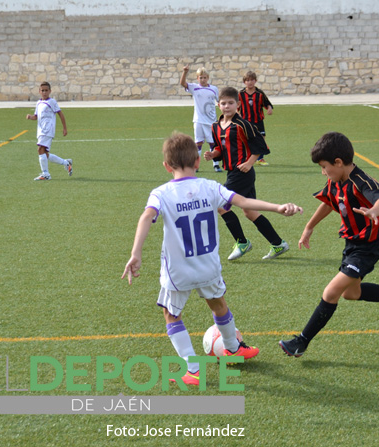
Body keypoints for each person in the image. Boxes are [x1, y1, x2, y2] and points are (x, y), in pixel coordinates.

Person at [123, 132, 302, 386]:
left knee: (171, 314)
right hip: (208, 267)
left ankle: (193, 369)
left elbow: (145, 217)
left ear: (166, 166)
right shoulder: (211, 187)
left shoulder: (161, 193)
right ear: (198, 161)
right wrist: (278, 207)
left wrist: (135, 253)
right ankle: (233, 347)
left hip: (179, 271)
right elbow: (243, 201)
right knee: (218, 304)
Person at [279, 132, 379, 358]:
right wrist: (309, 227)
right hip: (352, 245)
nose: (323, 172)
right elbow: (329, 202)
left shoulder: (362, 181)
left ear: (338, 162)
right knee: (351, 293)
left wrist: (373, 211)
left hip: (368, 246)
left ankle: (301, 342)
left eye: (324, 166)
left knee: (331, 292)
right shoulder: (335, 180)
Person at [204, 87, 290, 261]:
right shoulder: (216, 126)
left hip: (242, 173)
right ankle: (278, 243)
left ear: (238, 104)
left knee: (220, 205)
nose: (227, 106)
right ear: (218, 105)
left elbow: (261, 147)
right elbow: (221, 148)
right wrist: (213, 154)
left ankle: (242, 242)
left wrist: (250, 163)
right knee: (249, 212)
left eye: (230, 103)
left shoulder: (243, 124)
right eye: (223, 103)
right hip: (232, 173)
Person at [179, 65, 223, 172]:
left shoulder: (214, 89)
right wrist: (185, 72)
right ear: (197, 78)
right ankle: (196, 165)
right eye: (200, 78)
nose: (202, 80)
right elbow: (182, 83)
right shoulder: (194, 87)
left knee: (213, 143)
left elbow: (220, 102)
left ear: (208, 78)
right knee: (198, 143)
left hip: (211, 121)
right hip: (198, 120)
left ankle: (216, 164)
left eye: (204, 77)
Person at [25, 82, 72, 181]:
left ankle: (45, 174)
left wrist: (64, 128)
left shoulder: (52, 102)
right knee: (45, 154)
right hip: (40, 130)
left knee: (40, 149)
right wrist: (30, 117)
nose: (44, 92)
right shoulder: (38, 103)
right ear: (39, 91)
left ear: (50, 91)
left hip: (48, 130)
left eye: (46, 90)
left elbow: (60, 114)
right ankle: (66, 163)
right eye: (43, 90)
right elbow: (36, 117)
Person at [239, 71, 273, 166]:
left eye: (252, 80)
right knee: (246, 140)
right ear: (244, 82)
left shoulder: (260, 93)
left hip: (258, 120)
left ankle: (260, 158)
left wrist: (269, 108)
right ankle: (247, 158)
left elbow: (267, 103)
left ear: (256, 81)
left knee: (261, 139)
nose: (250, 82)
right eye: (247, 80)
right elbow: (236, 107)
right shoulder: (240, 94)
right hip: (246, 122)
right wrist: (238, 115)